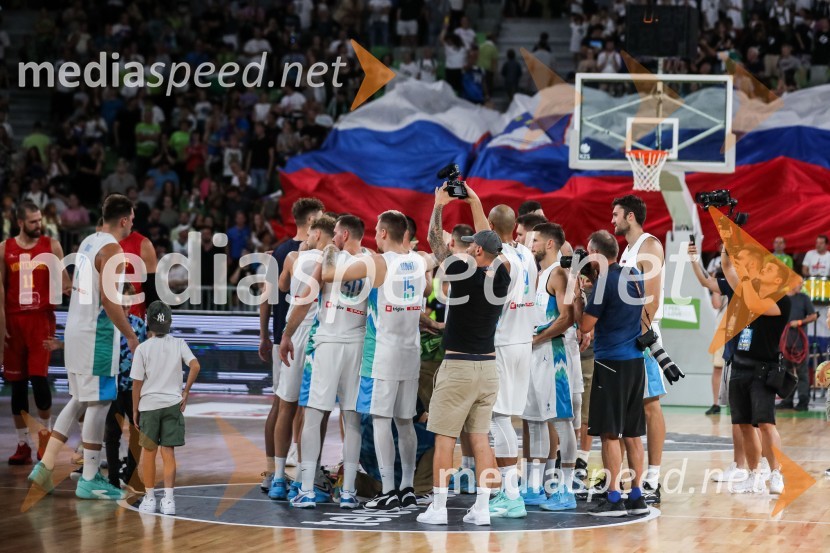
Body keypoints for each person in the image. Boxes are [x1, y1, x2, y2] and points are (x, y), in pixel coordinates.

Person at [28, 194, 140, 500]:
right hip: (96, 335)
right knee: (100, 403)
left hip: (76, 328)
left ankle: (45, 465)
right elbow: (110, 302)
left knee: (79, 399)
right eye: (132, 219)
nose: (132, 224)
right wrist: (131, 335)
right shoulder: (113, 250)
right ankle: (90, 477)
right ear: (124, 220)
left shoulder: (89, 241)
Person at [320, 210, 427, 512]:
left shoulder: (377, 262)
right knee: (405, 423)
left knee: (381, 421)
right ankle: (407, 488)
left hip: (382, 353)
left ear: (382, 233)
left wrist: (329, 249)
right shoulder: (419, 261)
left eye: (377, 230)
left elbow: (329, 275)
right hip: (410, 352)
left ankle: (389, 490)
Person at [417, 186, 508, 526]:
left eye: (471, 245)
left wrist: (439, 205)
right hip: (487, 368)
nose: (466, 247)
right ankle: (482, 509)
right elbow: (493, 243)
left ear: (478, 250)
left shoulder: (463, 271)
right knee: (481, 439)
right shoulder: (502, 275)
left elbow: (434, 240)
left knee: (445, 438)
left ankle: (439, 508)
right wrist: (476, 202)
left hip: (458, 368)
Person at [280, 215, 368, 509]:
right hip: (357, 344)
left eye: (336, 234)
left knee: (314, 414)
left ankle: (306, 488)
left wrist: (287, 334)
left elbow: (305, 299)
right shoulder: (372, 262)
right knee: (352, 418)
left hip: (328, 343)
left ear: (343, 234)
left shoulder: (330, 259)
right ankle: (349, 492)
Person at [573, 230, 649, 517]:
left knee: (609, 434)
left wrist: (578, 297)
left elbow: (585, 325)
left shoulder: (604, 282)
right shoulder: (634, 275)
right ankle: (637, 496)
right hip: (635, 361)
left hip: (610, 363)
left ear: (595, 253)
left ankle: (614, 496)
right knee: (632, 433)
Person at [472, 202, 537, 519]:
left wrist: (473, 201)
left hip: (503, 342)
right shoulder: (528, 255)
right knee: (505, 418)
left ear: (492, 229)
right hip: (524, 341)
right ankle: (511, 492)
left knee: (499, 419)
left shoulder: (501, 259)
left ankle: (511, 495)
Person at [268, 216, 335, 501]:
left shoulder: (294, 257)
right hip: (321, 335)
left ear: (316, 234)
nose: (304, 238)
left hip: (295, 331)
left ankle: (278, 477)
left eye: (308, 234)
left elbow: (282, 286)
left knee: (286, 406)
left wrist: (298, 255)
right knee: (316, 410)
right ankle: (308, 475)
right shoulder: (338, 261)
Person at [258, 197, 323, 490]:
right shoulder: (289, 253)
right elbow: (268, 295)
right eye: (321, 217)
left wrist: (264, 334)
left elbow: (267, 296)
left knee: (287, 403)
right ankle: (281, 471)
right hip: (294, 336)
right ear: (311, 222)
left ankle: (282, 470)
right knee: (291, 405)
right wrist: (265, 335)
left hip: (288, 336)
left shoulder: (282, 252)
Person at [2, 201, 70, 465]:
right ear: (20, 222)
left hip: (41, 320)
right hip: (13, 322)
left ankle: (45, 437)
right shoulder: (4, 249)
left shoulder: (51, 246)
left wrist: (70, 288)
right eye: (33, 221)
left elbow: (65, 283)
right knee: (17, 385)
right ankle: (22, 444)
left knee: (40, 381)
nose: (38, 225)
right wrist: (2, 326)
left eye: (40, 220)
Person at [722, 245, 791, 495]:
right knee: (743, 425)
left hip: (763, 370)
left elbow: (754, 302)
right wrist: (727, 247)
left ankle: (776, 473)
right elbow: (727, 268)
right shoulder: (748, 292)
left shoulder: (782, 301)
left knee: (765, 424)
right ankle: (754, 475)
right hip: (739, 366)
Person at [613, 194, 668, 503]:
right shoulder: (627, 250)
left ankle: (653, 479)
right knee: (627, 408)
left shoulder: (650, 246)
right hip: (624, 335)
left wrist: (639, 336)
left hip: (642, 336)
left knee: (650, 404)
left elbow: (652, 300)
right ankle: (627, 476)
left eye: (616, 214)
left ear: (630, 216)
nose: (613, 220)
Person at [523, 222, 578, 512]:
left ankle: (566, 490)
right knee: (534, 420)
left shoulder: (559, 273)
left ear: (549, 244)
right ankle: (534, 486)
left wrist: (537, 338)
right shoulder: (539, 274)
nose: (530, 245)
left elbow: (568, 318)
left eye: (535, 240)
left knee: (561, 421)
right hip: (535, 355)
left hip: (554, 356)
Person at [688, 241, 752, 484]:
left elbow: (716, 275)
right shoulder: (734, 284)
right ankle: (748, 466)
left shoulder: (746, 285)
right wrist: (694, 260)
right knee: (745, 417)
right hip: (735, 355)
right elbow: (706, 282)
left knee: (750, 418)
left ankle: (750, 466)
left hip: (749, 358)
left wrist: (727, 248)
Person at [133, 301, 201, 515]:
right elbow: (195, 365)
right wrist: (186, 391)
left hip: (149, 406)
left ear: (148, 322)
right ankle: (169, 500)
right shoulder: (179, 343)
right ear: (169, 321)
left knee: (149, 452)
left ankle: (149, 498)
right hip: (172, 404)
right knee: (168, 452)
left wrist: (135, 409)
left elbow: (137, 383)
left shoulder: (142, 348)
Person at [104, 283, 146, 489]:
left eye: (129, 302)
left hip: (133, 387)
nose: (127, 307)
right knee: (112, 433)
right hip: (111, 386)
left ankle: (130, 473)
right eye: (123, 303)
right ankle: (112, 478)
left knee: (138, 430)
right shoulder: (106, 324)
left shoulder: (139, 325)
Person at [777, 286, 817, 410]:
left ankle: (803, 402)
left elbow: (813, 316)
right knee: (786, 373)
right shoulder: (781, 297)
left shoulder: (803, 298)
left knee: (802, 374)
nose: (799, 285)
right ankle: (787, 401)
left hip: (800, 344)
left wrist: (799, 322)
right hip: (784, 343)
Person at [119, 227, 158, 320]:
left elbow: (151, 286)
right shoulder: (100, 243)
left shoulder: (143, 243)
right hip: (104, 315)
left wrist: (152, 322)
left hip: (134, 314)